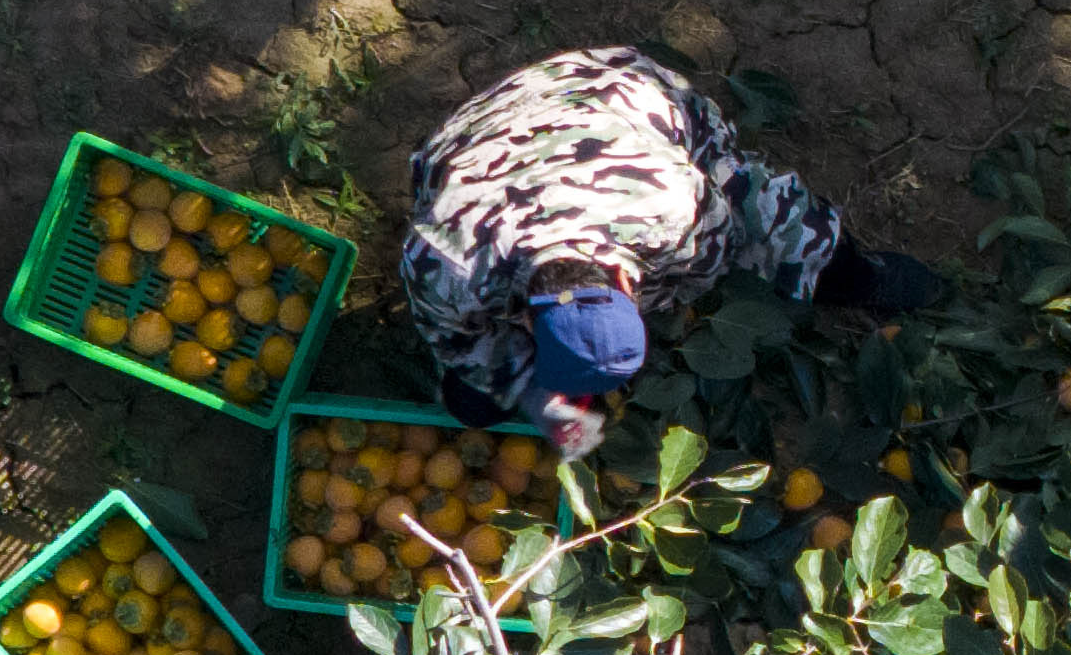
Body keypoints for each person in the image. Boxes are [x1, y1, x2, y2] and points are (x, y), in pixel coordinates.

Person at [396, 49, 945, 450]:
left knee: (778, 225)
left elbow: (708, 264)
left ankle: (855, 274)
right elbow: (456, 337)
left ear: (630, 279)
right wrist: (528, 388)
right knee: (474, 399)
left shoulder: (669, 204)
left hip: (619, 92)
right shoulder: (442, 261)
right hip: (485, 131)